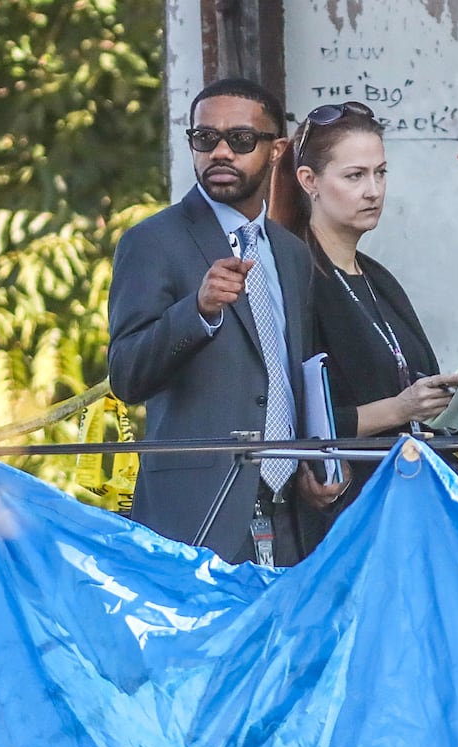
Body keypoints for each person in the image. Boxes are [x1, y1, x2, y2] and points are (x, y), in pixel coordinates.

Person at [107, 78, 348, 567]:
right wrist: (197, 312)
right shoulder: (152, 242)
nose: (220, 152)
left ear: (275, 150)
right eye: (205, 138)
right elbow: (126, 375)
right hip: (198, 516)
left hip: (290, 512)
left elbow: (289, 375)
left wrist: (310, 459)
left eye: (240, 139)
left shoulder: (291, 253)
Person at [269, 100, 458, 503]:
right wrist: (401, 408)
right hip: (358, 505)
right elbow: (290, 419)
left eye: (380, 173)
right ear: (309, 180)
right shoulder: (293, 277)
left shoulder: (378, 278)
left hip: (419, 493)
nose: (373, 191)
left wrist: (456, 408)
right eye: (355, 175)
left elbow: (414, 396)